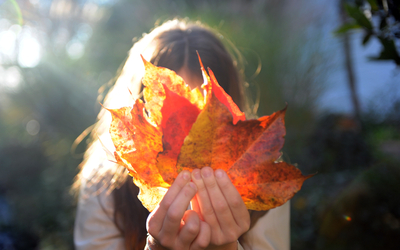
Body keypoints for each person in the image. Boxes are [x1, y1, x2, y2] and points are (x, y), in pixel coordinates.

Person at [73, 19, 290, 250]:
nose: (189, 140)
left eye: (203, 117)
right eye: (174, 119)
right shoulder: (105, 182)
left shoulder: (261, 180)